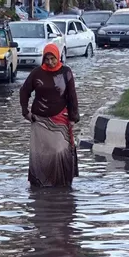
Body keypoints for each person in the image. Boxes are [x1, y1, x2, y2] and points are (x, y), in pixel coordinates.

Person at [19, 43, 80, 188]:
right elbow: (24, 91)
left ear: (58, 57)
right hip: (39, 120)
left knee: (60, 150)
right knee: (42, 152)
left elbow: (72, 96)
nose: (50, 62)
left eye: (53, 58)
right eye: (47, 59)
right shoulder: (37, 73)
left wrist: (73, 117)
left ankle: (62, 182)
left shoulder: (66, 72)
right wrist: (26, 112)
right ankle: (41, 182)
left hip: (60, 119)